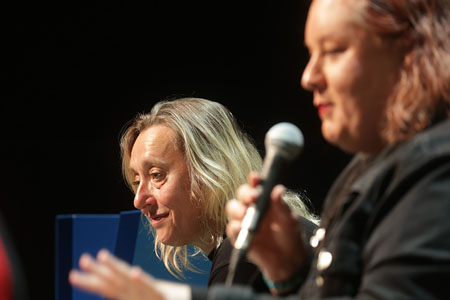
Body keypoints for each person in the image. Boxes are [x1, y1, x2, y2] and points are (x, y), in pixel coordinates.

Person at [71, 0, 450, 298]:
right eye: (136, 179)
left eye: (333, 51)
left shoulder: (434, 169)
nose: (309, 76)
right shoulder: (368, 171)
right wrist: (290, 274)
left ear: (409, 53)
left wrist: (175, 298)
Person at [69, 97, 318, 296]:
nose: (138, 199)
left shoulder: (246, 252)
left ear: (210, 171)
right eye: (136, 181)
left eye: (156, 175)